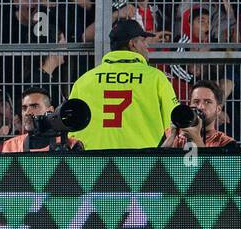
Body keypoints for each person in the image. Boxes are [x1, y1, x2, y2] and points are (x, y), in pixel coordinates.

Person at [67, 19, 179, 150]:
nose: (146, 46)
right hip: (141, 165)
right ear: (133, 44)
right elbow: (174, 124)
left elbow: (71, 130)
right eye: (143, 40)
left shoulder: (84, 81)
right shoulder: (156, 78)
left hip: (94, 165)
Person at [0, 88, 84, 152]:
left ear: (50, 110)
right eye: (24, 108)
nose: (27, 112)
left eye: (34, 106)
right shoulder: (11, 146)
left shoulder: (71, 145)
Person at [162, 80, 236, 148]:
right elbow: (155, 162)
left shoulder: (226, 143)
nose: (201, 106)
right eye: (196, 101)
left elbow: (208, 163)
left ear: (218, 110)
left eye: (207, 102)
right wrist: (171, 137)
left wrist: (196, 138)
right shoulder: (171, 135)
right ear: (190, 105)